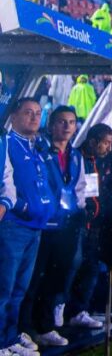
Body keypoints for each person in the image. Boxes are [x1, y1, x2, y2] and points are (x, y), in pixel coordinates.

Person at [20, 107, 85, 348]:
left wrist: (79, 213)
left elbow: (79, 188)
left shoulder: (76, 155)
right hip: (42, 223)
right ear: (51, 125)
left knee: (56, 278)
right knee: (32, 278)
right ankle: (24, 329)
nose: (67, 127)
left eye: (71, 122)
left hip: (67, 225)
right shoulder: (39, 149)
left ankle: (45, 327)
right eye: (61, 122)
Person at [1, 98, 58, 356]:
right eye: (28, 113)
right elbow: (7, 183)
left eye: (37, 113)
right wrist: (22, 207)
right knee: (4, 287)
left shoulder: (37, 147)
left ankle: (9, 336)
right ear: (14, 116)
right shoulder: (8, 144)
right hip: (13, 227)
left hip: (35, 228)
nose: (34, 118)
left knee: (19, 290)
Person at [65, 124, 112, 331]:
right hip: (75, 225)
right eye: (105, 143)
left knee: (90, 269)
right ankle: (59, 311)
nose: (108, 148)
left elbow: (110, 188)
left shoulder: (105, 161)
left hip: (96, 226)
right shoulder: (75, 159)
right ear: (92, 141)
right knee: (71, 268)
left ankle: (79, 311)